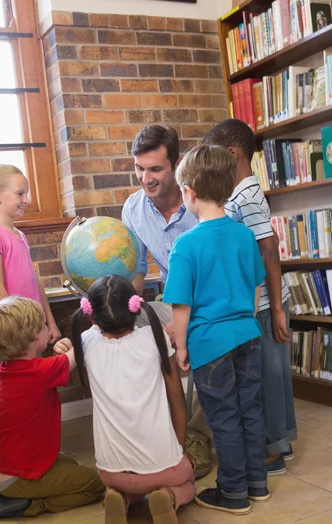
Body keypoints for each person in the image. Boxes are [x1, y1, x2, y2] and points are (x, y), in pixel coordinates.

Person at [163, 144, 269, 514]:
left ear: (189, 193)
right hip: (249, 336)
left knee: (223, 417)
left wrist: (180, 348)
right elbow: (256, 288)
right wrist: (244, 320)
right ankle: (258, 484)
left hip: (211, 344)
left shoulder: (185, 245)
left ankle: (234, 492)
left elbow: (181, 306)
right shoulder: (243, 236)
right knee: (251, 411)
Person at [54, 275, 195, 524]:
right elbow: (176, 398)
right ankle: (169, 498)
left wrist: (60, 346)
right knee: (188, 476)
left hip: (111, 471)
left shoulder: (85, 343)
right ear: (136, 307)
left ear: (91, 316)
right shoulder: (154, 338)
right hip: (161, 468)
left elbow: (63, 364)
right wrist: (178, 446)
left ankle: (119, 496)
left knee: (129, 482)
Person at [203, 119, 297, 475]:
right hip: (257, 303)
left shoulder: (247, 195)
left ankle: (272, 451)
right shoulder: (239, 194)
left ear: (232, 154)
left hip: (265, 305)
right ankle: (277, 443)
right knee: (266, 375)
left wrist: (275, 310)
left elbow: (269, 252)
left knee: (268, 376)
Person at [122, 125, 212, 479]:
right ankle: (156, 430)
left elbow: (214, 277)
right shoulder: (133, 208)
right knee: (129, 325)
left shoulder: (200, 203)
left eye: (156, 169)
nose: (146, 178)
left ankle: (198, 436)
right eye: (140, 169)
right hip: (172, 302)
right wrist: (132, 312)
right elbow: (136, 272)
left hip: (208, 305)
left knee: (205, 336)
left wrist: (182, 326)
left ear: (175, 165)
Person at [0, 296, 105, 519]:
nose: (46, 328)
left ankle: (3, 486)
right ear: (32, 336)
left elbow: (52, 367)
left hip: (5, 466)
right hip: (19, 477)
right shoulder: (39, 373)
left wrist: (59, 351)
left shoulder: (9, 368)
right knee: (96, 485)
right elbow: (79, 352)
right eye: (43, 325)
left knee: (70, 462)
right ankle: (30, 504)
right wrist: (96, 328)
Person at [0, 161, 61, 343]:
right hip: (14, 330)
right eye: (20, 194)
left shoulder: (20, 235)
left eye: (27, 193)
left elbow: (34, 282)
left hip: (33, 327)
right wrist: (23, 327)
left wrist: (50, 323)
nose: (27, 200)